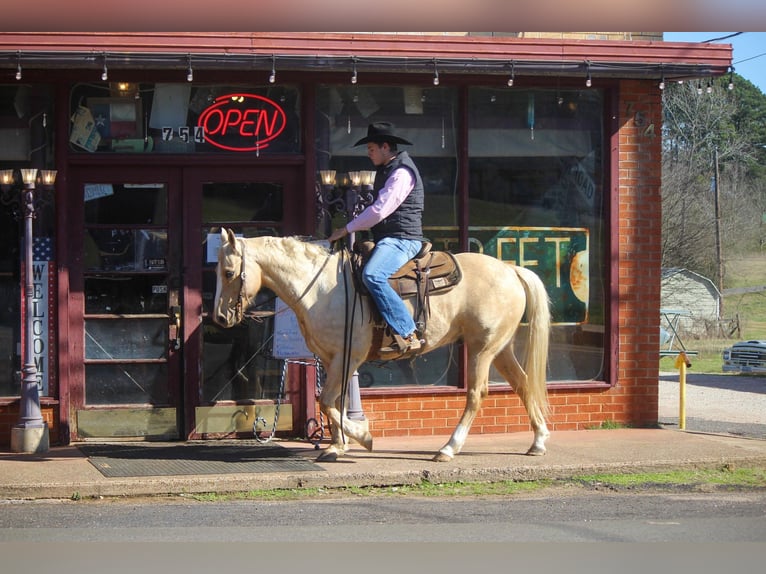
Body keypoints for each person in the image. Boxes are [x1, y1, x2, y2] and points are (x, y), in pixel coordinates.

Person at [328, 121, 426, 358]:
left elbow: (380, 210)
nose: (368, 153)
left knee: (372, 275)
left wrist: (346, 229)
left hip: (402, 239)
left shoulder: (401, 172)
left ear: (385, 147)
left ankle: (407, 332)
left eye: (371, 148)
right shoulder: (390, 169)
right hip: (389, 238)